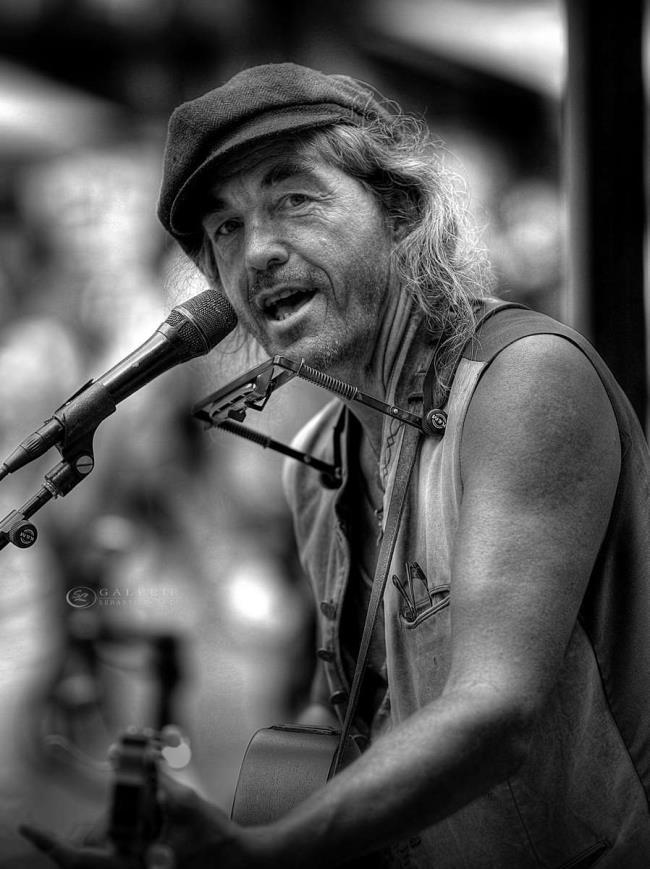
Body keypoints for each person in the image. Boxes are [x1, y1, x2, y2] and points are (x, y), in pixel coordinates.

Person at [20, 62, 650, 868]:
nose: (259, 252)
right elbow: (352, 736)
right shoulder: (317, 458)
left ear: (399, 210)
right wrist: (205, 848)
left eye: (295, 199)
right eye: (226, 229)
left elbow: (496, 716)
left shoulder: (523, 380)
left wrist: (273, 851)